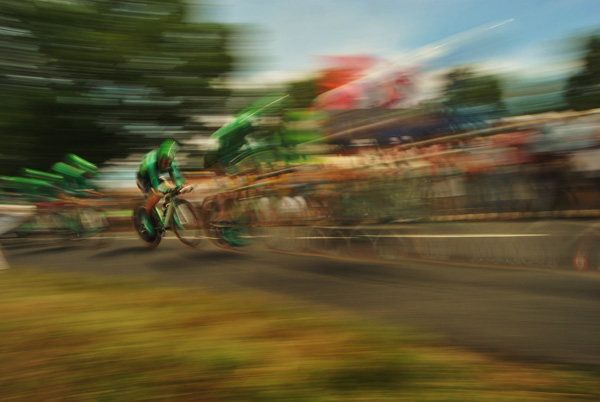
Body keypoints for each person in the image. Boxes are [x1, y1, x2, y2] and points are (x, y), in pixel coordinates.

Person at [136, 139, 186, 234]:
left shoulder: (170, 161)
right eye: (164, 162)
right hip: (143, 178)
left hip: (155, 176)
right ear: (159, 158)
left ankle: (166, 212)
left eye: (169, 162)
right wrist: (162, 190)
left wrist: (180, 186)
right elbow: (156, 184)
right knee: (155, 196)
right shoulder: (152, 163)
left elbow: (176, 177)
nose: (167, 165)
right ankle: (146, 219)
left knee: (170, 190)